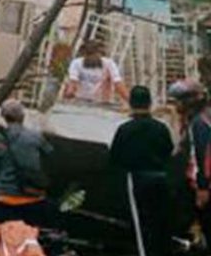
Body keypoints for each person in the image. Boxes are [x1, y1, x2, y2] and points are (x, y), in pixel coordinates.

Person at [110, 86, 175, 256]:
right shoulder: (161, 128)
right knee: (160, 223)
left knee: (140, 225)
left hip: (136, 180)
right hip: (161, 180)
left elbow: (115, 158)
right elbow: (169, 151)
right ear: (150, 103)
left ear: (131, 103)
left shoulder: (125, 130)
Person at [0, 100, 54, 227]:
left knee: (4, 234)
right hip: (33, 196)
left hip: (5, 197)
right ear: (23, 116)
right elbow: (50, 154)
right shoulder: (35, 136)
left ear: (4, 117)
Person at [170, 80, 211, 237]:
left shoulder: (199, 123)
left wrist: (203, 187)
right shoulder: (201, 118)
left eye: (178, 101)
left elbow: (203, 155)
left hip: (203, 186)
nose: (176, 106)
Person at [65, 41, 129, 106]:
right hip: (102, 103)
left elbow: (72, 85)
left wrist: (68, 96)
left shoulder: (76, 63)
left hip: (80, 101)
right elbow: (118, 85)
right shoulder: (109, 64)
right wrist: (130, 101)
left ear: (84, 53)